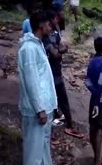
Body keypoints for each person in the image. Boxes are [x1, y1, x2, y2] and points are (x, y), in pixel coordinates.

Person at [18, 11, 57, 165]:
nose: (50, 27)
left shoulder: (38, 45)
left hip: (45, 107)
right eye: (48, 24)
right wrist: (39, 109)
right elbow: (31, 80)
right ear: (41, 26)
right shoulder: (28, 49)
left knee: (43, 148)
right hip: (36, 110)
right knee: (33, 152)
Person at [43, 10, 83, 138]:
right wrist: (60, 51)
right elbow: (55, 52)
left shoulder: (55, 33)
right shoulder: (45, 36)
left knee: (61, 98)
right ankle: (61, 126)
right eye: (55, 18)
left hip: (57, 70)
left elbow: (60, 47)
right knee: (56, 98)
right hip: (50, 72)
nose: (58, 20)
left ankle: (66, 123)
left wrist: (60, 51)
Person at [85, 37, 102, 165]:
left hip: (93, 98)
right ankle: (97, 160)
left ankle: (96, 155)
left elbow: (87, 81)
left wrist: (95, 92)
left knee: (93, 126)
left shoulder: (92, 61)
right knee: (101, 128)